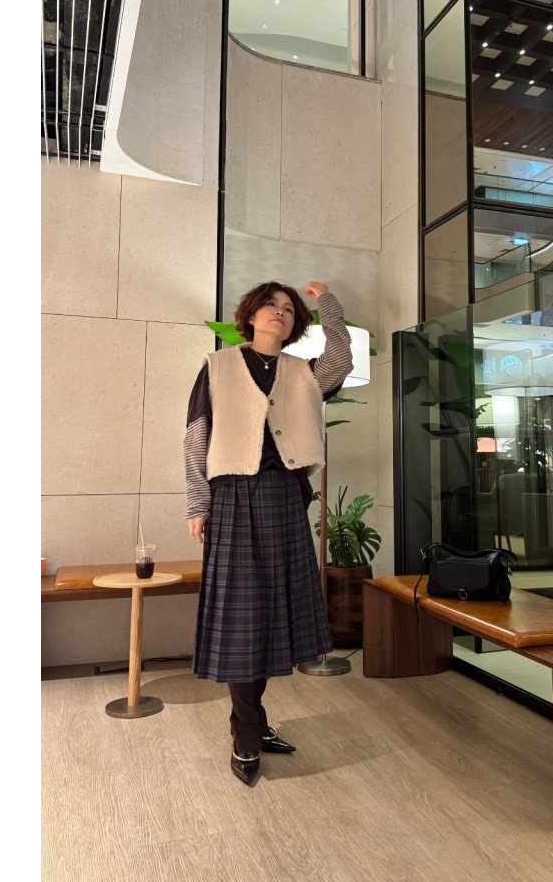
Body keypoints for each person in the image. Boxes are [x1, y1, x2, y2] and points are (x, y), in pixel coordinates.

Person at [184, 279, 353, 786]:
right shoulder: (217, 365)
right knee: (242, 620)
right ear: (251, 315)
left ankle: (252, 722)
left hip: (285, 499)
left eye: (288, 309)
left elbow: (340, 360)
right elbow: (196, 436)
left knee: (272, 616)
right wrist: (198, 503)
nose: (279, 312)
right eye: (270, 305)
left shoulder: (304, 371)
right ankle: (246, 731)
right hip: (234, 499)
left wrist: (328, 305)